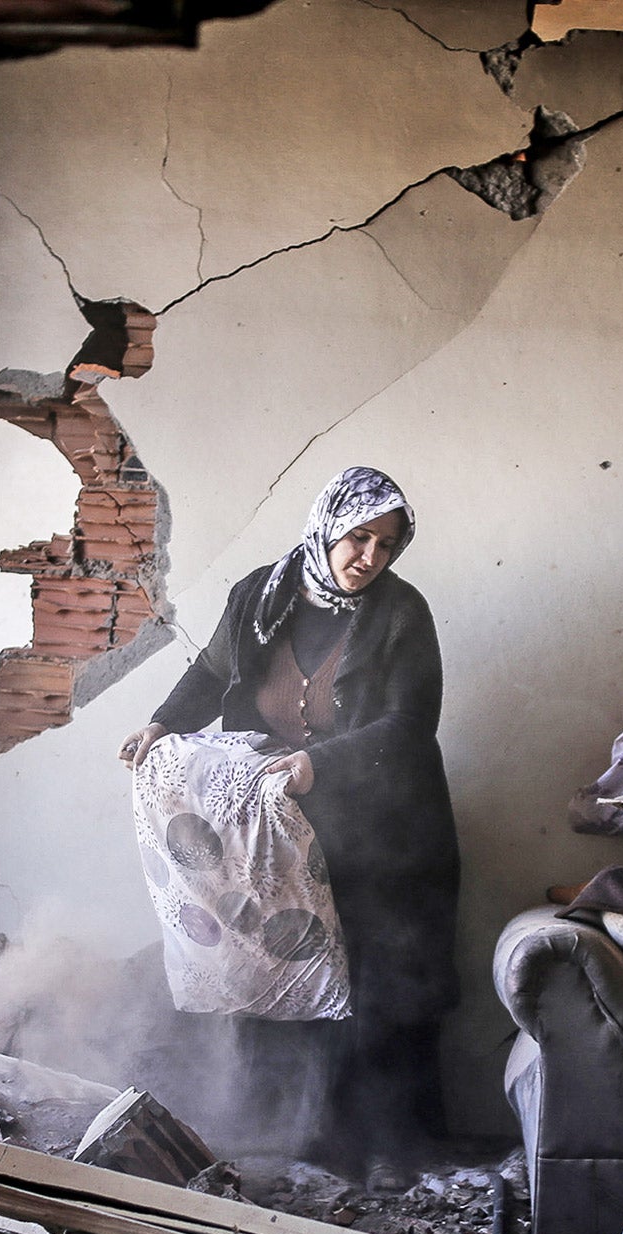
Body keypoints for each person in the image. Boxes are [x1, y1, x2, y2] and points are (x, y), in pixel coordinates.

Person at [119, 466, 459, 1185]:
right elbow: (212, 675)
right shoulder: (258, 596)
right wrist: (159, 725)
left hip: (385, 834)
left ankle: (383, 1152)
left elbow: (408, 725)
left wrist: (318, 765)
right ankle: (292, 1141)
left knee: (376, 984)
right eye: (359, 536)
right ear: (326, 526)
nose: (369, 556)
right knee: (280, 968)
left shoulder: (402, 614)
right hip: (275, 829)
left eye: (387, 545)